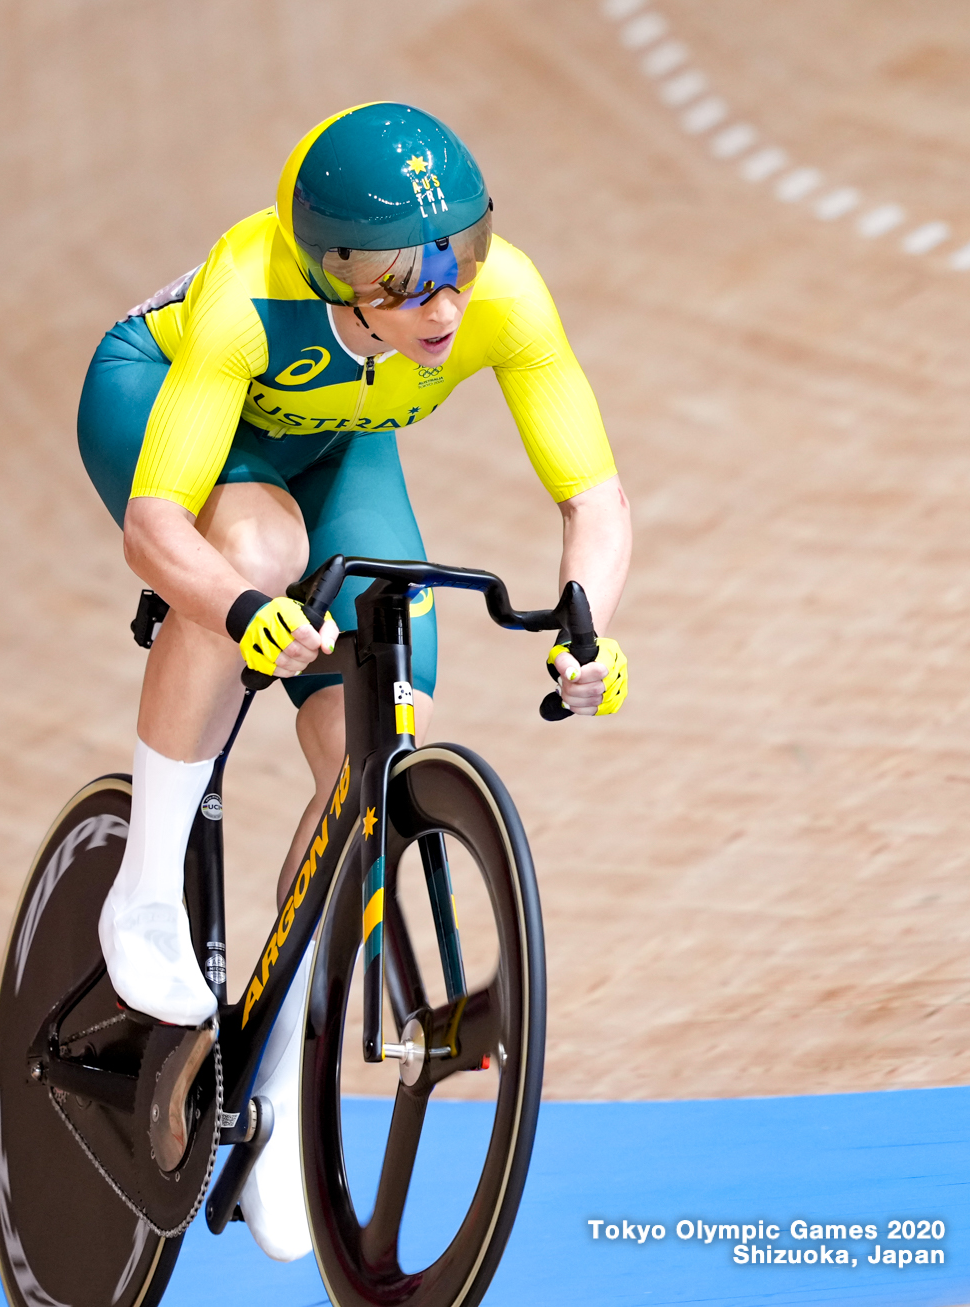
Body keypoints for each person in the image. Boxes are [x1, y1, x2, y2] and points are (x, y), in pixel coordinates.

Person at [75, 104, 630, 1259]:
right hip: (163, 407)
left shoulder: (503, 299)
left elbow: (593, 495)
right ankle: (143, 886)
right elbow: (152, 525)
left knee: (381, 738)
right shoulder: (245, 291)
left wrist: (585, 623)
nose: (446, 306)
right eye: (409, 282)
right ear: (334, 270)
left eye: (461, 264)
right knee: (260, 550)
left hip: (338, 448)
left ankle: (275, 1088)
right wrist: (234, 609)